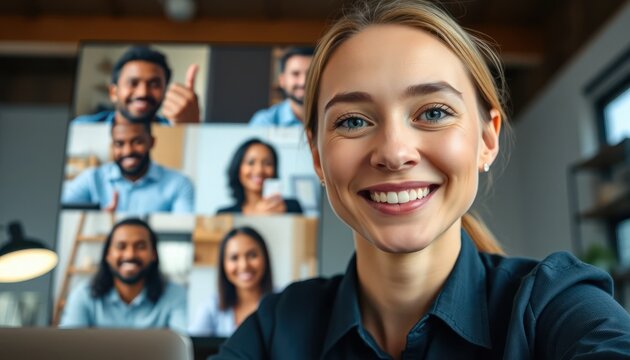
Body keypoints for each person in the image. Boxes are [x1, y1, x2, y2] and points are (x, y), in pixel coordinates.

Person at [212, 0, 630, 359]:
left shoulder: (554, 302)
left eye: (433, 113)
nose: (394, 153)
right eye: (354, 120)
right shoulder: (278, 328)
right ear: (318, 157)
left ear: (487, 138)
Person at [60, 218, 187, 333]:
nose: (130, 255)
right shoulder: (83, 295)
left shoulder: (176, 295)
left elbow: (186, 346)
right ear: (108, 255)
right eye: (121, 246)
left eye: (140, 246)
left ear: (153, 254)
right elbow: (67, 348)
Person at [62, 118, 194, 214]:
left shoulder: (179, 184)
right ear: (112, 147)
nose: (128, 151)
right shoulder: (91, 178)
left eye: (137, 142)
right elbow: (56, 209)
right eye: (119, 144)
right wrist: (96, 217)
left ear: (151, 142)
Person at [73, 46, 200, 125]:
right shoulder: (80, 127)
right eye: (133, 83)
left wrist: (190, 129)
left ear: (164, 92)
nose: (143, 92)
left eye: (154, 84)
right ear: (113, 93)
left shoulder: (176, 128)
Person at [189, 226, 273, 337]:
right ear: (223, 264)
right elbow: (191, 348)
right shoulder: (211, 307)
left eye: (252, 255)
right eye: (234, 258)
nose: (244, 266)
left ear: (265, 258)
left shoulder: (283, 303)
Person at [216, 138, 302, 215]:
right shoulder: (224, 215)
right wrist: (255, 216)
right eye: (251, 163)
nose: (259, 170)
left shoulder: (291, 208)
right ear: (238, 168)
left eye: (267, 163)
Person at [248, 47, 313, 127]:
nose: (303, 82)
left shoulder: (331, 120)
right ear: (282, 80)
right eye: (295, 74)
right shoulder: (264, 122)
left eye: (311, 74)